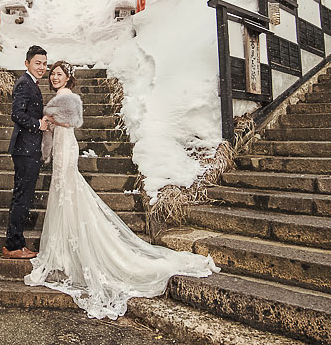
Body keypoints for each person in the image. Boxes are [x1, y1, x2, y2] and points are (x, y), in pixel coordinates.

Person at [25, 61, 219, 320]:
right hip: (62, 147)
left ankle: (68, 252)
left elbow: (72, 122)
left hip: (65, 148)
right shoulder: (61, 97)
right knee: (64, 194)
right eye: (52, 75)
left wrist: (48, 119)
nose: (54, 78)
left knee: (67, 191)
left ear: (68, 78)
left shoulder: (66, 96)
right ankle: (64, 250)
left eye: (59, 74)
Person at [3, 45, 49, 260]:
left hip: (28, 148)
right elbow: (16, 114)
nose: (42, 67)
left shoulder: (32, 84)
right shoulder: (24, 84)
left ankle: (16, 243)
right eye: (38, 63)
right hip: (25, 149)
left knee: (23, 196)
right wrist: (38, 124)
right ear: (27, 63)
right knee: (22, 197)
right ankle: (13, 246)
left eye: (45, 64)